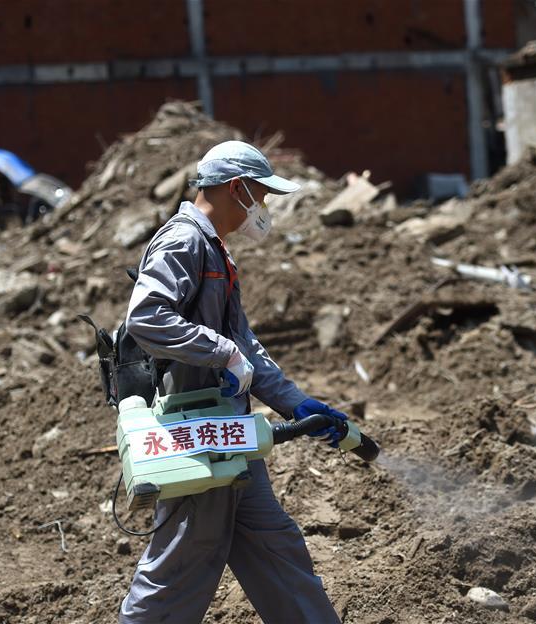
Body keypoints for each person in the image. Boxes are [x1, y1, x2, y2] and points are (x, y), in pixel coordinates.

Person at [119, 141, 345, 624]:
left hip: (230, 431)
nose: (262, 209)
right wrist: (219, 351)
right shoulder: (183, 242)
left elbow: (242, 342)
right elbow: (146, 318)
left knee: (277, 552)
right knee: (177, 573)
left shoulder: (215, 249)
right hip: (198, 434)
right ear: (237, 189)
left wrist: (295, 403)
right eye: (261, 196)